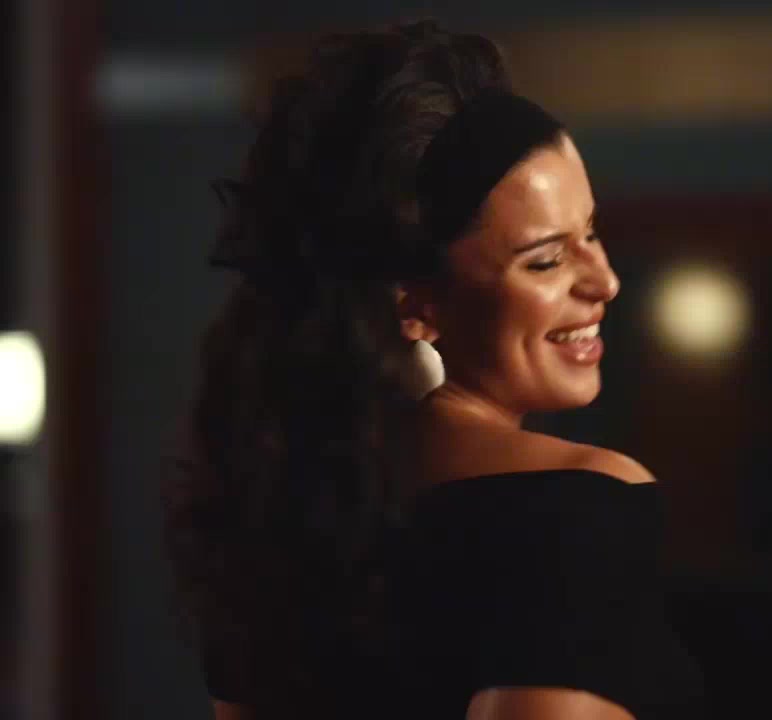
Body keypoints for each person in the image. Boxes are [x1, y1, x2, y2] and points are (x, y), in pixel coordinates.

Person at [163, 19, 706, 720]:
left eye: (591, 233)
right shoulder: (575, 509)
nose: (605, 280)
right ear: (415, 304)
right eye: (545, 259)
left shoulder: (276, 523)